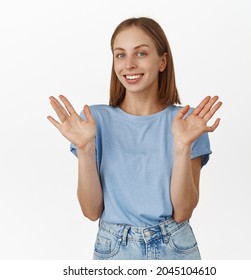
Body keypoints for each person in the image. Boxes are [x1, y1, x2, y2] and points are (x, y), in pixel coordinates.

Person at [47, 17, 222, 260]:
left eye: (140, 53)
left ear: (162, 61)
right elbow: (91, 211)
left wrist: (182, 146)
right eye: (120, 55)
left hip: (174, 247)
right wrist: (86, 148)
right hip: (115, 249)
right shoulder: (93, 121)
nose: (129, 64)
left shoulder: (187, 122)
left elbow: (182, 212)